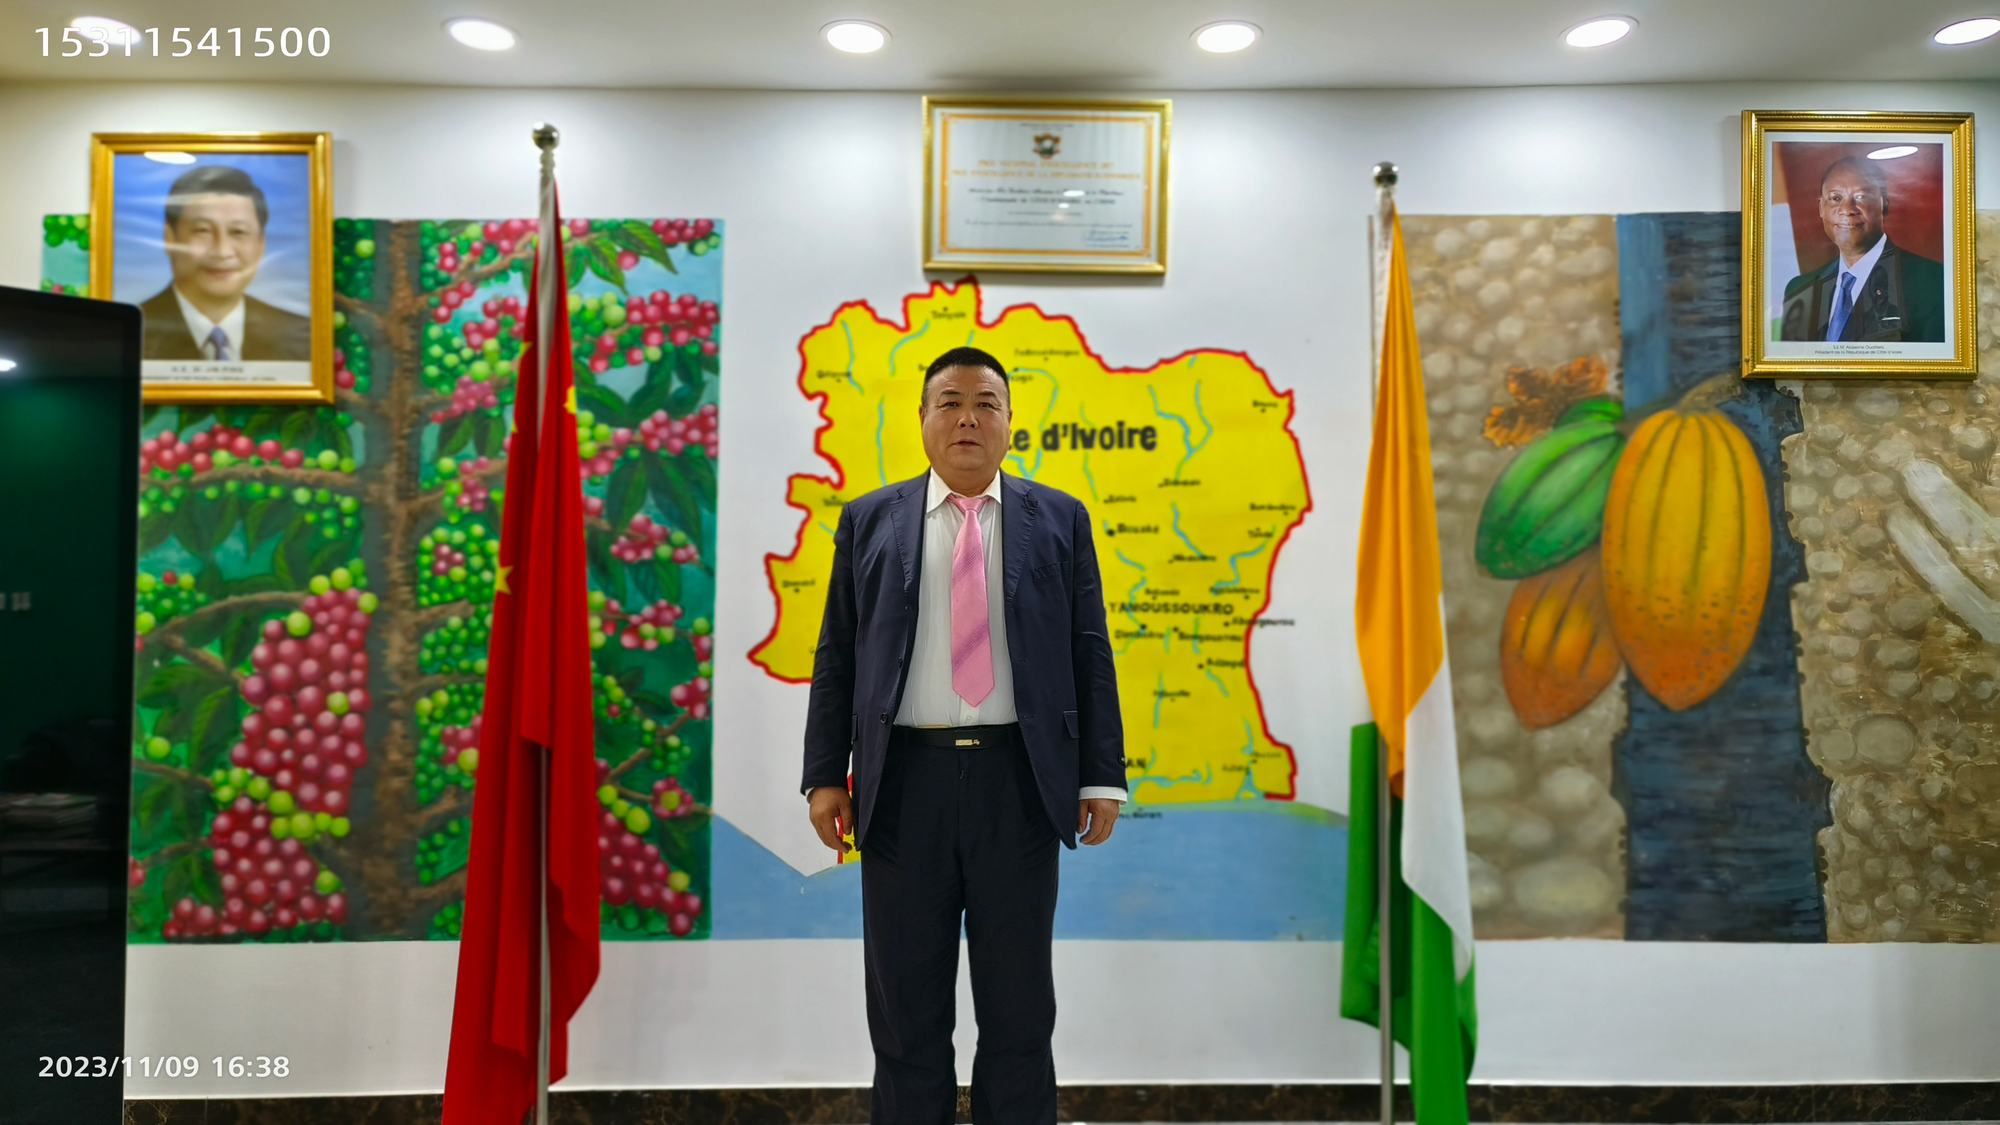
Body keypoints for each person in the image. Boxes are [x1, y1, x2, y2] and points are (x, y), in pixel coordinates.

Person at [800, 346, 1128, 1124]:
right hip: (901, 787)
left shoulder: (1060, 519)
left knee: (1019, 1009)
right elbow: (837, 652)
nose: (968, 418)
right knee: (906, 1013)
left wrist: (1100, 775)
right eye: (949, 402)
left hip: (1020, 784)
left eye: (986, 403)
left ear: (1011, 422)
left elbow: (1089, 649)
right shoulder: (871, 520)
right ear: (922, 419)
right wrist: (824, 775)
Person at [137, 164, 310, 362]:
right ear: (170, 238)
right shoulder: (130, 331)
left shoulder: (301, 337)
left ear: (261, 244)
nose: (222, 252)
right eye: (202, 230)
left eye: (238, 232)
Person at [1780, 154, 1945, 343]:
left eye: (1861, 197)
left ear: (1884, 204)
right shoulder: (1800, 290)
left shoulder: (1934, 282)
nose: (1847, 209)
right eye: (1835, 198)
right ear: (1821, 209)